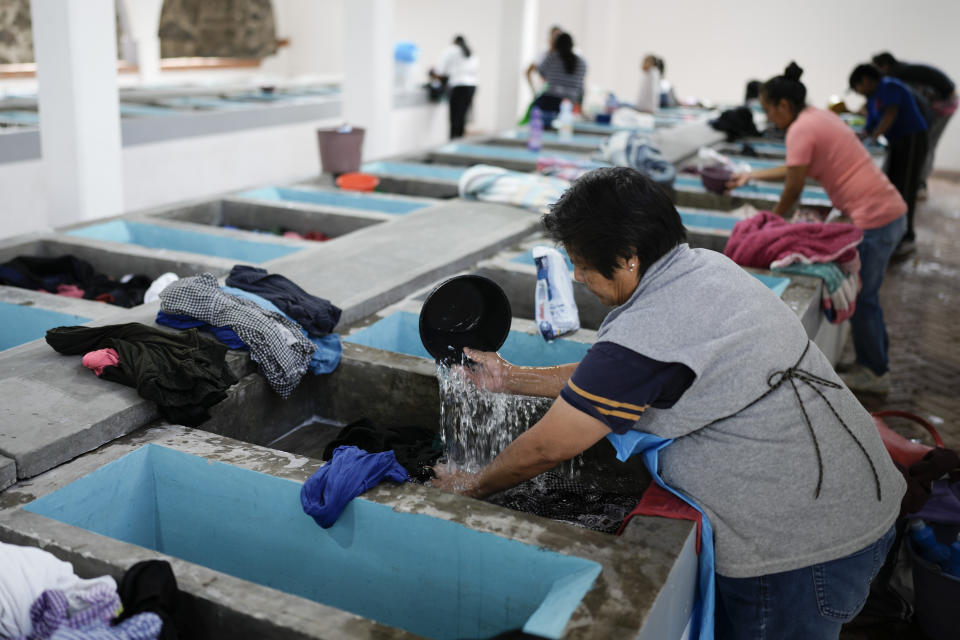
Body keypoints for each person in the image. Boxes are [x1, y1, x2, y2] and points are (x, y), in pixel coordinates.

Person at [433, 167, 905, 640]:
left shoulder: (650, 328)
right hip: (852, 497)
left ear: (628, 258)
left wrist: (473, 485)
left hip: (801, 547)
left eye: (581, 263)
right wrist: (509, 378)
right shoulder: (702, 267)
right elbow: (610, 379)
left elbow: (548, 448)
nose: (576, 277)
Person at [726, 62, 908, 394]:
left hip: (876, 217)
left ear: (783, 105)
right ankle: (874, 363)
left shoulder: (800, 129)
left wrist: (770, 228)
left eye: (769, 111)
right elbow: (795, 167)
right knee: (870, 296)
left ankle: (875, 373)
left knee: (865, 297)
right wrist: (752, 175)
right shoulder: (818, 117)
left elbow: (794, 187)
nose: (769, 119)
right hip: (889, 210)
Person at [850, 63, 928, 256]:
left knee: (906, 186)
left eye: (856, 86)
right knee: (896, 186)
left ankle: (907, 237)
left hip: (911, 139)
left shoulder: (888, 86)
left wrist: (875, 137)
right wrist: (861, 136)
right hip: (897, 142)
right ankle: (897, 233)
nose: (857, 92)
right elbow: (870, 125)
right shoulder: (872, 97)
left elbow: (890, 114)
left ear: (866, 80)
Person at [872, 52, 957, 201]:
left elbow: (902, 106)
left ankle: (920, 185)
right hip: (939, 102)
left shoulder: (896, 76)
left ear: (884, 66)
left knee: (928, 143)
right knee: (927, 143)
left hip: (945, 104)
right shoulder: (901, 71)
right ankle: (918, 183)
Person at [430, 35, 478, 140]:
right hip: (472, 86)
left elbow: (440, 70)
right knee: (462, 117)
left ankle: (453, 142)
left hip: (458, 86)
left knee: (454, 118)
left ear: (454, 42)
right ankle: (460, 142)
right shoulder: (471, 52)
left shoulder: (451, 50)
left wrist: (432, 72)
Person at [527, 32, 587, 115]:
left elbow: (541, 72)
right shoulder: (582, 62)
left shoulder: (552, 57)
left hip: (550, 101)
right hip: (572, 104)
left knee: (535, 112)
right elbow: (581, 86)